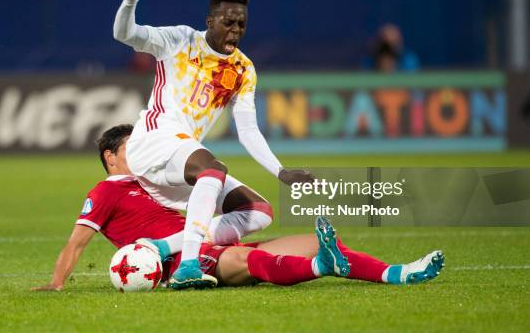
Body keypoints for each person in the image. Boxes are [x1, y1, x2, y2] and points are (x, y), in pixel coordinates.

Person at [31, 125, 445, 291]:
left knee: (305, 239)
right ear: (110, 156)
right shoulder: (106, 191)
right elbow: (77, 243)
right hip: (177, 262)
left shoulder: (152, 181)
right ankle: (323, 268)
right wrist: (57, 282)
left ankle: (396, 273)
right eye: (130, 146)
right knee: (256, 260)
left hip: (200, 242)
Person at [112, 0, 314, 289]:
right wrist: (129, 2)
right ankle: (188, 266)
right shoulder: (179, 40)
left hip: (182, 161)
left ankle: (163, 247)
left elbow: (248, 131)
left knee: (257, 211)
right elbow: (125, 34)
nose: (235, 30)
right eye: (228, 22)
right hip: (153, 140)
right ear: (210, 22)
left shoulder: (243, 69)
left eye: (242, 25)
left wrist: (281, 171)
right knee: (213, 168)